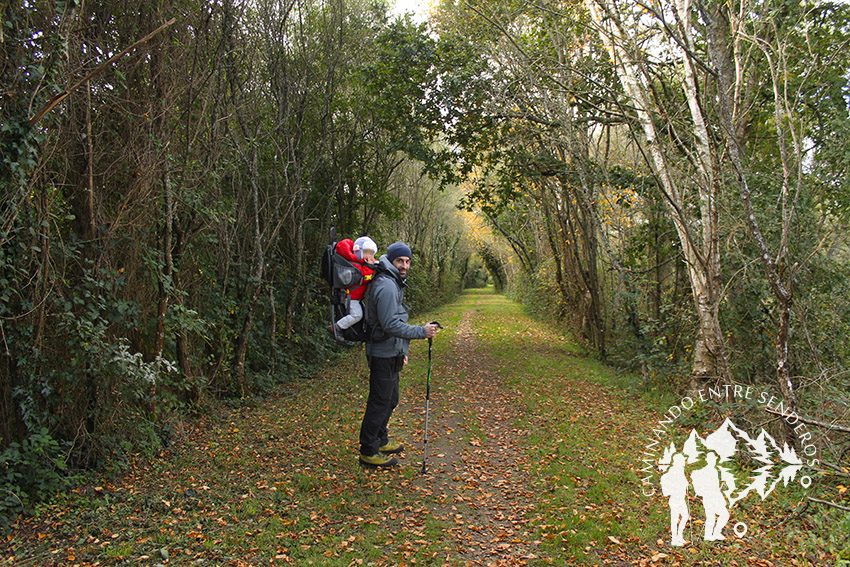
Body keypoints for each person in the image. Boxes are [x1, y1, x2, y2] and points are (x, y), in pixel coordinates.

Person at [359, 241, 439, 468]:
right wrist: (421, 332)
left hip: (392, 351)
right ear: (391, 261)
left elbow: (397, 321)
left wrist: (402, 350)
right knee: (379, 402)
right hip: (381, 353)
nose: (404, 265)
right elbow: (389, 324)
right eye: (400, 261)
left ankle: (380, 440)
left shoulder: (394, 281)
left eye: (407, 261)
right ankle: (368, 451)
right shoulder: (386, 286)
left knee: (390, 399)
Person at [329, 236, 377, 342]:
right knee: (357, 315)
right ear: (358, 251)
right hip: (350, 297)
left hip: (356, 298)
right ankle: (337, 327)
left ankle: (358, 333)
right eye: (367, 253)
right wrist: (370, 267)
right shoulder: (353, 264)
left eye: (371, 253)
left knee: (363, 314)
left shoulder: (358, 262)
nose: (369, 256)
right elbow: (363, 276)